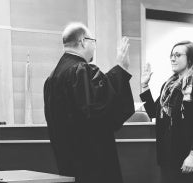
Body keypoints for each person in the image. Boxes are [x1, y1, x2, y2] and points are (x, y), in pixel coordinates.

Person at [43, 22, 134, 183]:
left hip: (67, 160)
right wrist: (121, 69)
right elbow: (102, 110)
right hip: (92, 162)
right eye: (93, 41)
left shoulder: (52, 78)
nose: (94, 46)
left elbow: (91, 96)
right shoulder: (81, 70)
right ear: (83, 41)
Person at [140, 41, 193, 183]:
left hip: (189, 157)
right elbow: (153, 112)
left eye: (178, 55)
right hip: (168, 156)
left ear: (191, 58)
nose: (172, 58)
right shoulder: (168, 86)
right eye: (171, 55)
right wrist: (144, 85)